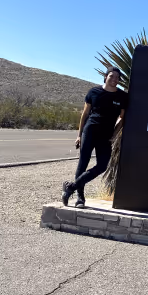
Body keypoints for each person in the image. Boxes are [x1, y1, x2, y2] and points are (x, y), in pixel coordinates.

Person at [62, 66, 128, 207]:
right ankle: (80, 197)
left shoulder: (122, 96)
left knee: (102, 165)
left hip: (106, 135)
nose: (114, 80)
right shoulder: (94, 92)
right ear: (105, 77)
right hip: (90, 131)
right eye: (111, 76)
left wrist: (115, 134)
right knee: (83, 163)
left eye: (117, 77)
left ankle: (71, 187)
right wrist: (79, 135)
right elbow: (85, 114)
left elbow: (122, 118)